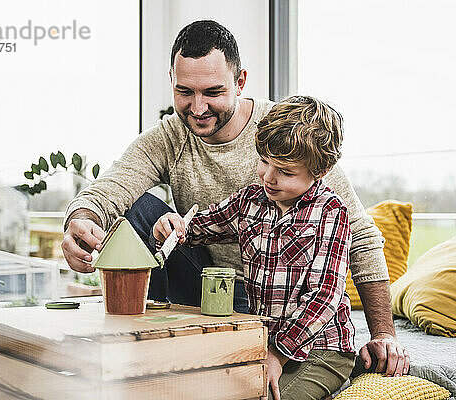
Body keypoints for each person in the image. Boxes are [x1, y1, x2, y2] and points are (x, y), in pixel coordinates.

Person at [62, 19, 408, 381]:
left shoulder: (284, 135)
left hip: (268, 299)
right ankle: (144, 345)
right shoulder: (169, 138)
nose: (197, 108)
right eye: (185, 91)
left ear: (240, 82)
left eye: (213, 92)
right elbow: (110, 188)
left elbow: (361, 236)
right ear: (171, 81)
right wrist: (80, 221)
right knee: (143, 209)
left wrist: (383, 333)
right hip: (202, 284)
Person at [151, 95, 362, 399]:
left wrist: (277, 355)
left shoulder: (330, 212)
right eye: (265, 162)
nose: (269, 178)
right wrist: (171, 228)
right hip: (264, 340)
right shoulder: (250, 201)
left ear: (321, 171)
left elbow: (325, 297)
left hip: (321, 349)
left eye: (286, 172)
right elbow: (196, 228)